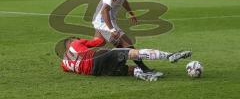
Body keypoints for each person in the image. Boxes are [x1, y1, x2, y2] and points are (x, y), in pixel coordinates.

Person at [61, 37, 192, 81]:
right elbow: (98, 41)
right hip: (97, 58)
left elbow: (70, 68)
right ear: (71, 41)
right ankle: (169, 56)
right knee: (132, 53)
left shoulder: (64, 63)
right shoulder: (75, 42)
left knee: (125, 69)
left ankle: (141, 73)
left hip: (96, 72)